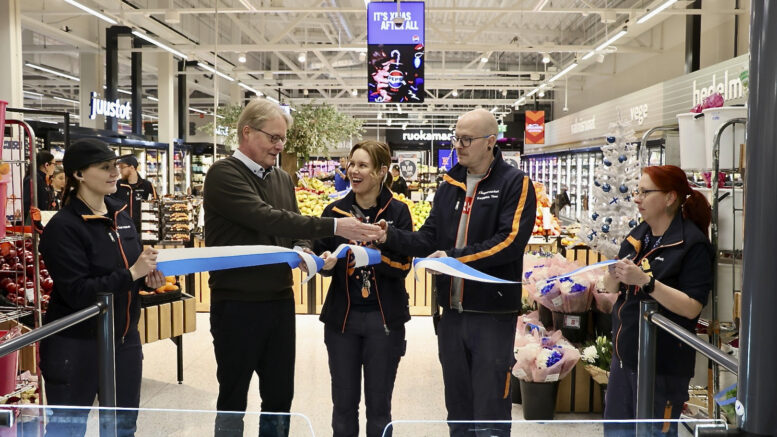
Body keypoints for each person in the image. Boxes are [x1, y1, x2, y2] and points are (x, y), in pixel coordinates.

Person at [202, 98, 382, 437]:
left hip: (279, 302)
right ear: (247, 132)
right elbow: (264, 216)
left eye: (282, 138)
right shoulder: (223, 174)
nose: (280, 145)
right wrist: (334, 226)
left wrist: (305, 249)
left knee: (280, 396)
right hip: (236, 304)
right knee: (233, 396)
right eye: (273, 138)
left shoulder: (282, 179)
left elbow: (291, 229)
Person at [377, 109, 537, 436]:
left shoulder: (515, 184)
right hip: (451, 316)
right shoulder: (450, 184)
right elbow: (429, 237)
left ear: (490, 142)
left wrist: (452, 258)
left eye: (467, 139)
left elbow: (508, 242)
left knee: (491, 411)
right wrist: (387, 235)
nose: (458, 146)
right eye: (456, 138)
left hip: (491, 316)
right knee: (458, 412)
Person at [38, 138, 164, 436]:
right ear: (79, 174)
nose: (114, 173)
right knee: (67, 430)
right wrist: (132, 274)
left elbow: (128, 271)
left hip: (124, 340)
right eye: (105, 167)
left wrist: (146, 278)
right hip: (75, 344)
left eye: (115, 166)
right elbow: (78, 291)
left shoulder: (121, 217)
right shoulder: (63, 228)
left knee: (123, 427)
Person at [602, 165, 713, 437]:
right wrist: (614, 276)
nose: (636, 198)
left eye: (645, 191)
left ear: (670, 197)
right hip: (624, 357)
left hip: (662, 366)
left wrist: (646, 282)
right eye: (637, 191)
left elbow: (692, 307)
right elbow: (609, 288)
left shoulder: (692, 245)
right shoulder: (639, 234)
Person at [314, 141, 413, 437]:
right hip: (342, 320)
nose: (353, 171)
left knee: (379, 408)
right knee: (343, 406)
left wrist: (371, 254)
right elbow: (318, 257)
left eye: (362, 165)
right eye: (351, 164)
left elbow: (404, 266)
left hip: (384, 322)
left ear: (381, 171)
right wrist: (322, 263)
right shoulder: (333, 210)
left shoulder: (399, 211)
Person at [112, 155, 158, 233]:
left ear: (132, 168)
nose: (120, 171)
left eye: (122, 167)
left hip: (142, 232)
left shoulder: (147, 185)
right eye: (119, 168)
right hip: (122, 231)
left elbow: (155, 207)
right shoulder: (117, 185)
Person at [22, 149, 55, 219]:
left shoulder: (42, 179)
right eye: (54, 164)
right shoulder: (34, 179)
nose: (54, 167)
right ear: (46, 165)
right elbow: (27, 203)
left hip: (41, 219)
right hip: (35, 221)